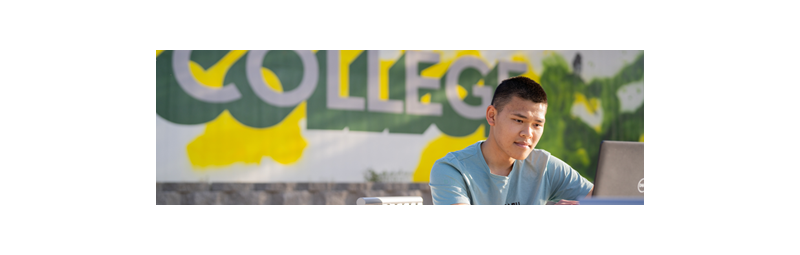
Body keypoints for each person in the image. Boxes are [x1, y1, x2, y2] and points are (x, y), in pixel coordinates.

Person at [429, 76, 594, 205]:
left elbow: (606, 199)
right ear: (492, 116)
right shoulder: (451, 169)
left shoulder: (545, 166)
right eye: (518, 120)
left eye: (537, 124)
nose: (528, 133)